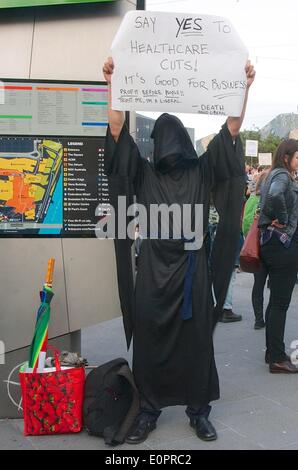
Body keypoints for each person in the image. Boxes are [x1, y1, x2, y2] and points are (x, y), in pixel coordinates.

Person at [103, 56, 255, 443]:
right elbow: (117, 130)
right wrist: (113, 84)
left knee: (197, 342)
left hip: (192, 271)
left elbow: (231, 131)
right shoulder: (143, 172)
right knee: (151, 342)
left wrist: (244, 87)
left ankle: (198, 411)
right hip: (154, 272)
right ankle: (148, 410)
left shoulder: (202, 171)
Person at [258, 139, 298, 373]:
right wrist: (283, 219)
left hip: (271, 244)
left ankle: (272, 352)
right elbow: (274, 196)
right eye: (297, 157)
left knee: (275, 302)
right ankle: (277, 358)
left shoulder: (274, 174)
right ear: (286, 157)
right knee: (280, 303)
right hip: (282, 245)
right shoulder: (282, 176)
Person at [242, 170, 269, 329]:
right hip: (274, 246)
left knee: (258, 283)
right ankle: (270, 315)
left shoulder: (252, 199)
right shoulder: (273, 199)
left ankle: (259, 319)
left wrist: (248, 237)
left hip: (257, 247)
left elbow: (246, 223)